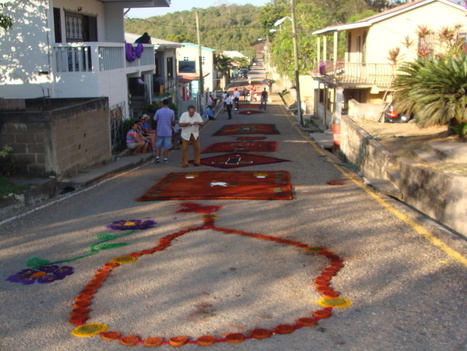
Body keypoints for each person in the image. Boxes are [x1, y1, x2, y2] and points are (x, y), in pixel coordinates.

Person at [153, 99, 175, 164]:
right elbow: (172, 121)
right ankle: (165, 158)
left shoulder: (158, 111)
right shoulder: (171, 112)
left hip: (160, 130)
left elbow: (154, 119)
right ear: (168, 104)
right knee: (167, 146)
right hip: (168, 131)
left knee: (158, 145)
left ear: (162, 103)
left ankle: (157, 157)